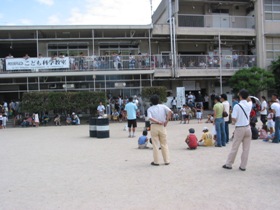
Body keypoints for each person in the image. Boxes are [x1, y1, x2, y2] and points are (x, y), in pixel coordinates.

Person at [223, 89, 252, 171]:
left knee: (235, 147)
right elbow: (249, 100)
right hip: (247, 128)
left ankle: (229, 164)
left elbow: (234, 118)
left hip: (239, 128)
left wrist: (234, 122)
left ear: (240, 96)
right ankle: (243, 166)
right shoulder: (249, 105)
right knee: (246, 149)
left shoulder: (237, 106)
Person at [147, 94, 172, 166]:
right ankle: (167, 160)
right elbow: (170, 112)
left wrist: (157, 121)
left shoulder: (150, 109)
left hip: (154, 126)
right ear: (158, 100)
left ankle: (156, 161)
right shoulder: (163, 106)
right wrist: (166, 121)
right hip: (162, 126)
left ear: (151, 101)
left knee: (155, 144)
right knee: (164, 144)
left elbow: (150, 117)